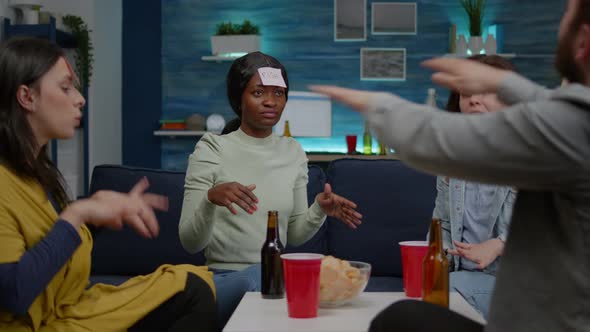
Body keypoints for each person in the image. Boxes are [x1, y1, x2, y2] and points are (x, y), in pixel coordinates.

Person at [310, 0, 590, 330]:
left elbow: (435, 137)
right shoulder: (569, 119)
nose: (559, 26)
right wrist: (502, 83)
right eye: (467, 93)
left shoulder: (567, 127)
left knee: (402, 317)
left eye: (566, 14)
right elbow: (550, 109)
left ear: (583, 42)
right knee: (403, 315)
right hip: (495, 295)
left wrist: (373, 104)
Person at [0, 37, 220, 331]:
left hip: (73, 308)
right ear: (27, 97)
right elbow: (13, 293)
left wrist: (97, 218)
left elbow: (49, 245)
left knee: (191, 286)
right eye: (65, 88)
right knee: (196, 294)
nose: (80, 98)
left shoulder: (36, 173)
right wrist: (78, 213)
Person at [178, 51, 362, 293]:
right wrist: (210, 199)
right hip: (223, 280)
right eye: (258, 92)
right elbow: (190, 243)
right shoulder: (212, 148)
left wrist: (318, 210)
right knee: (266, 276)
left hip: (273, 278)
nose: (271, 101)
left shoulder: (292, 151)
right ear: (239, 98)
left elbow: (294, 236)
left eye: (279, 93)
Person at [432, 55, 517, 319]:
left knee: (443, 295)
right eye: (466, 92)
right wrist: (434, 260)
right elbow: (442, 224)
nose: (474, 99)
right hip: (461, 275)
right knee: (423, 294)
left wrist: (499, 244)